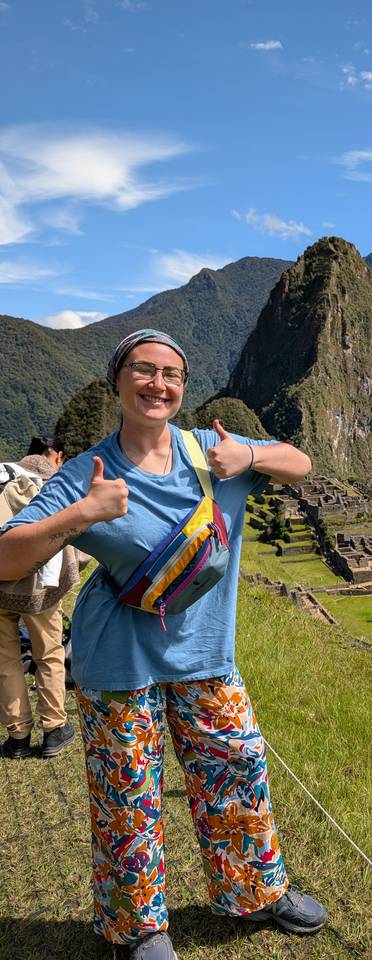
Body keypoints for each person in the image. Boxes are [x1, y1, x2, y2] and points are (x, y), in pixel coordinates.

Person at [0, 330, 327, 960]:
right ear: (117, 381)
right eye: (144, 371)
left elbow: (301, 462)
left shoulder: (212, 452)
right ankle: (139, 927)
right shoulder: (86, 473)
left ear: (183, 386)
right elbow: (7, 555)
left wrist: (251, 460)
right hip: (121, 663)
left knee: (237, 774)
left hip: (208, 657)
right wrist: (82, 515)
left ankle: (255, 892)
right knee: (128, 794)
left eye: (171, 374)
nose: (159, 384)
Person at [0, 435, 79, 759]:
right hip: (38, 587)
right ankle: (53, 729)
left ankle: (17, 736)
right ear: (57, 456)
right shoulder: (52, 481)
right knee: (48, 653)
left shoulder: (4, 474)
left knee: (5, 659)